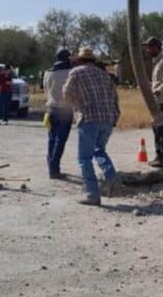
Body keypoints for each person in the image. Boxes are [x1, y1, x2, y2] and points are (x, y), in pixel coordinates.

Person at [63, 48, 120, 206]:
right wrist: (115, 115)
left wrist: (75, 105)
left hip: (88, 118)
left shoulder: (76, 72)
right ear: (93, 60)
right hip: (107, 119)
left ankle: (92, 195)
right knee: (99, 150)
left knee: (84, 158)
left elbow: (66, 94)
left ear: (79, 60)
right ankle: (110, 175)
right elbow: (115, 98)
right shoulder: (105, 75)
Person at [143, 37, 163, 168]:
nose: (148, 50)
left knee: (162, 130)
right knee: (157, 130)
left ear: (158, 47)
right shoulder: (157, 63)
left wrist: (156, 91)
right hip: (157, 102)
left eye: (151, 47)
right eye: (147, 47)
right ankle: (159, 155)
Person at [43, 47, 73, 180]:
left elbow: (45, 89)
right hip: (65, 110)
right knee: (60, 140)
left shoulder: (48, 72)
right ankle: (54, 169)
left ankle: (51, 165)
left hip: (51, 108)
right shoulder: (70, 72)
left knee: (52, 138)